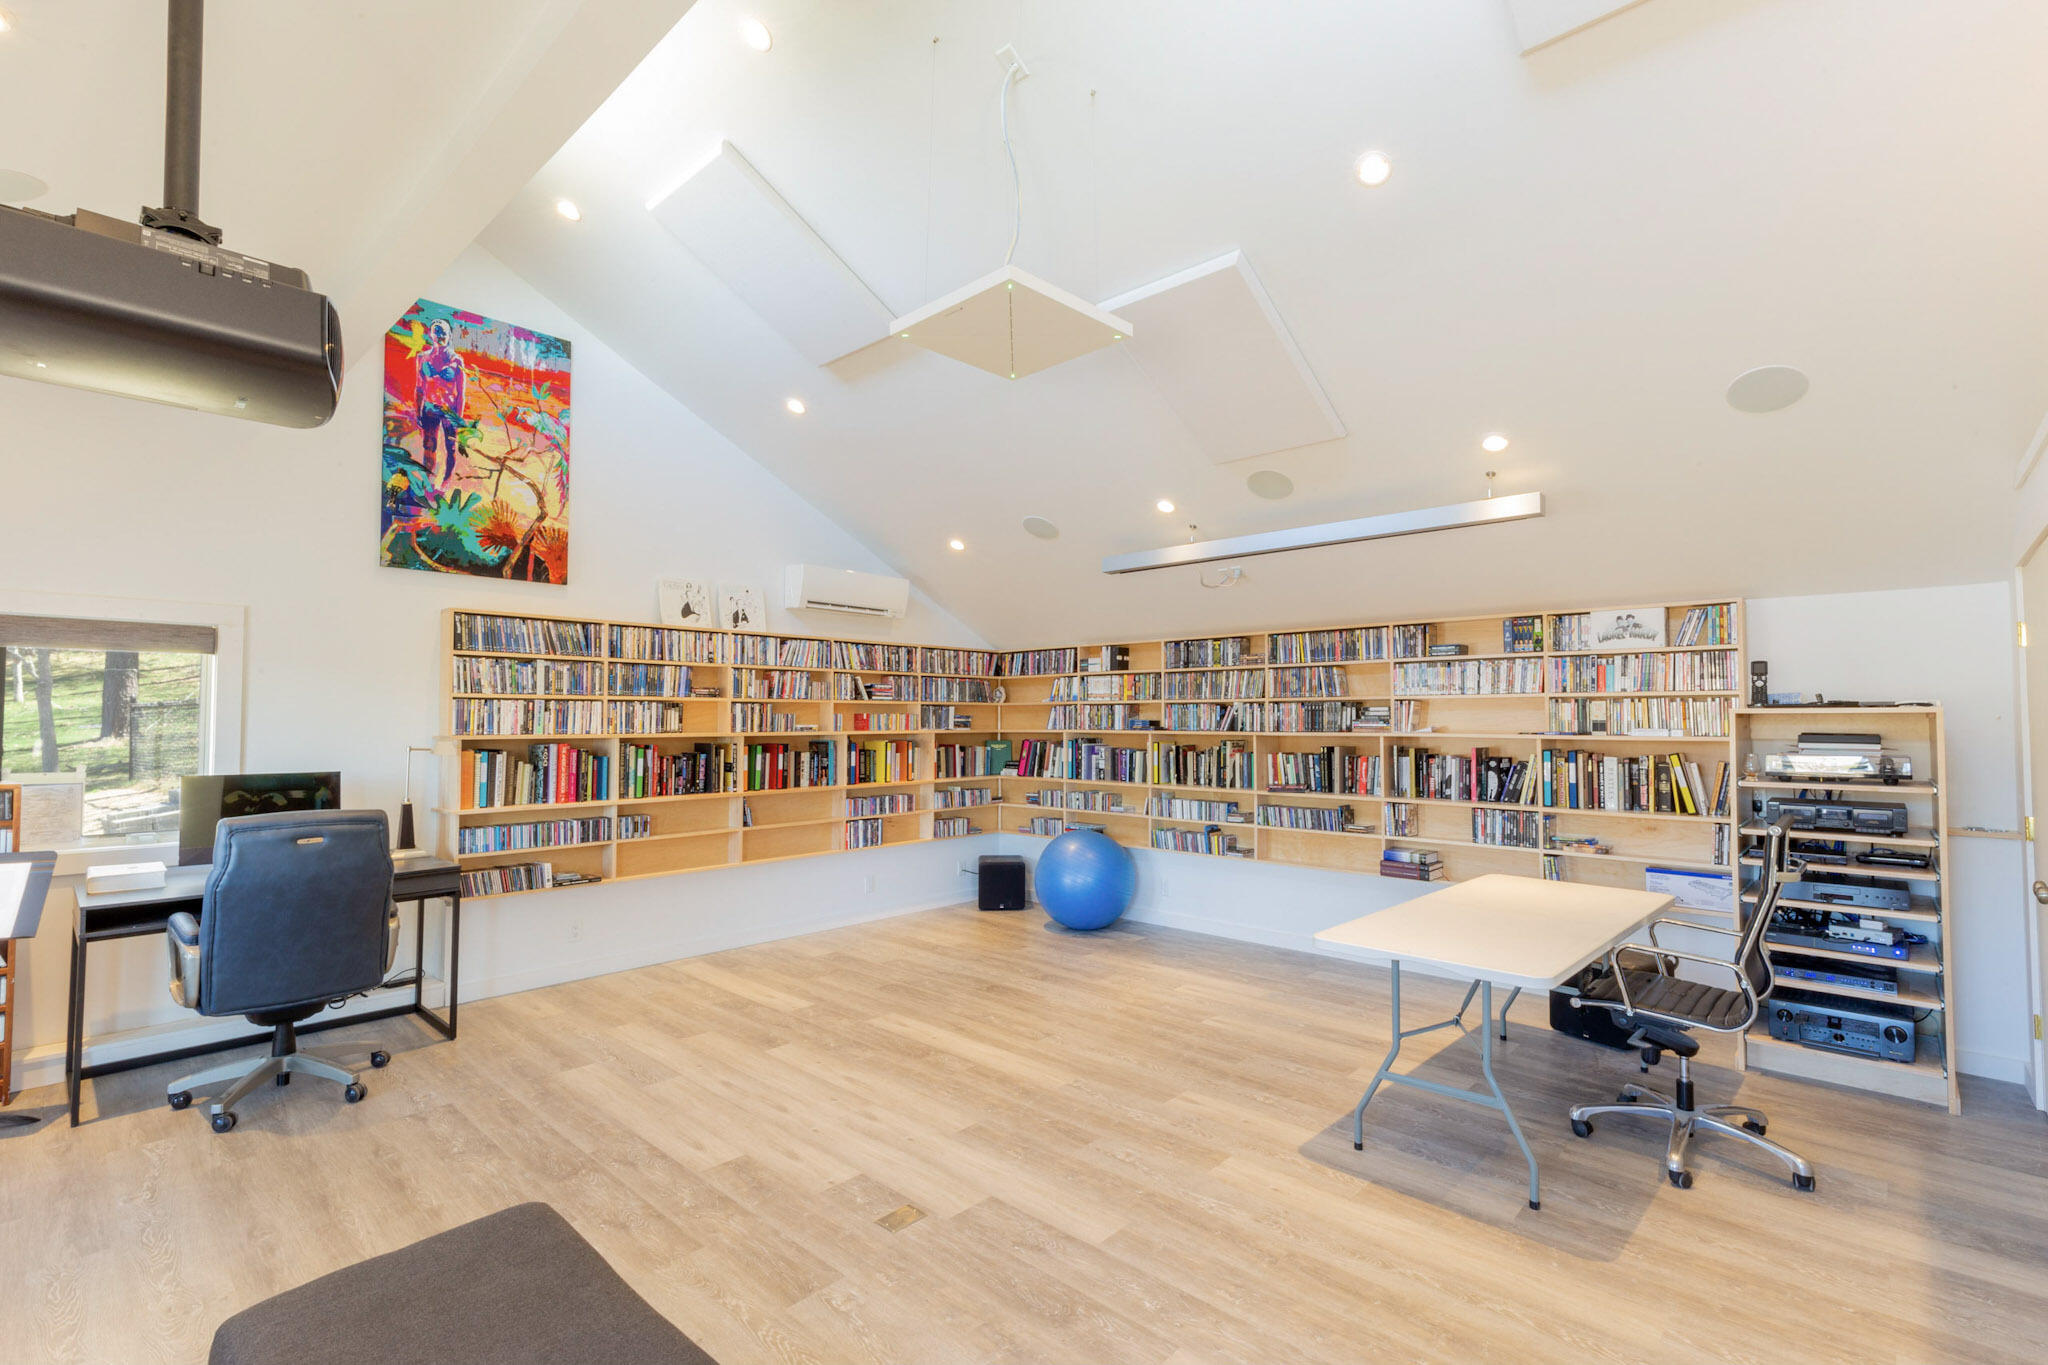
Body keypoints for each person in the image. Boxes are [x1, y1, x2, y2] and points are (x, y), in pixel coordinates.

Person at [416, 318, 468, 485]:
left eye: (443, 332)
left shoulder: (457, 360)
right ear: (431, 334)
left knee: (451, 448)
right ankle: (428, 482)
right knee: (428, 446)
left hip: (449, 410)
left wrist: (458, 418)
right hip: (429, 408)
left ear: (450, 335)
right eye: (436, 331)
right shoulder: (422, 358)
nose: (440, 335)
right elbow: (419, 388)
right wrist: (418, 411)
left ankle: (446, 482)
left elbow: (461, 393)